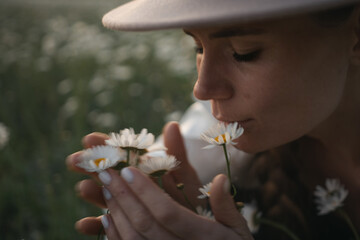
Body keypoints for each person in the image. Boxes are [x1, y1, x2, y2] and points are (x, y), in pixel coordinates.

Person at [66, 0, 360, 239]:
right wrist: (171, 204)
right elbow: (174, 155)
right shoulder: (219, 140)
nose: (201, 89)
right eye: (199, 48)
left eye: (244, 52)